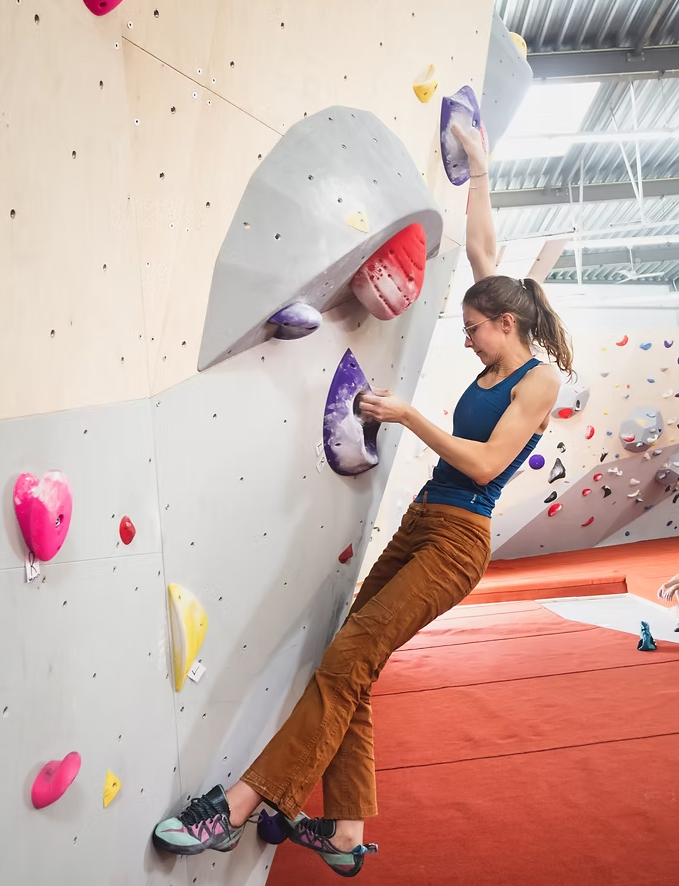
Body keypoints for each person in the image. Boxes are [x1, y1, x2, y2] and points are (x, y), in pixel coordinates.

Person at [151, 123, 573, 877]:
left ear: (507, 326)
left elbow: (485, 465)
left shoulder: (539, 380)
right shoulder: (501, 310)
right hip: (422, 524)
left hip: (458, 542)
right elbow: (484, 248)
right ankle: (345, 833)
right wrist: (479, 167)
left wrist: (409, 416)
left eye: (474, 331)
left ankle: (239, 805)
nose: (467, 340)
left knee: (348, 658)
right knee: (355, 662)